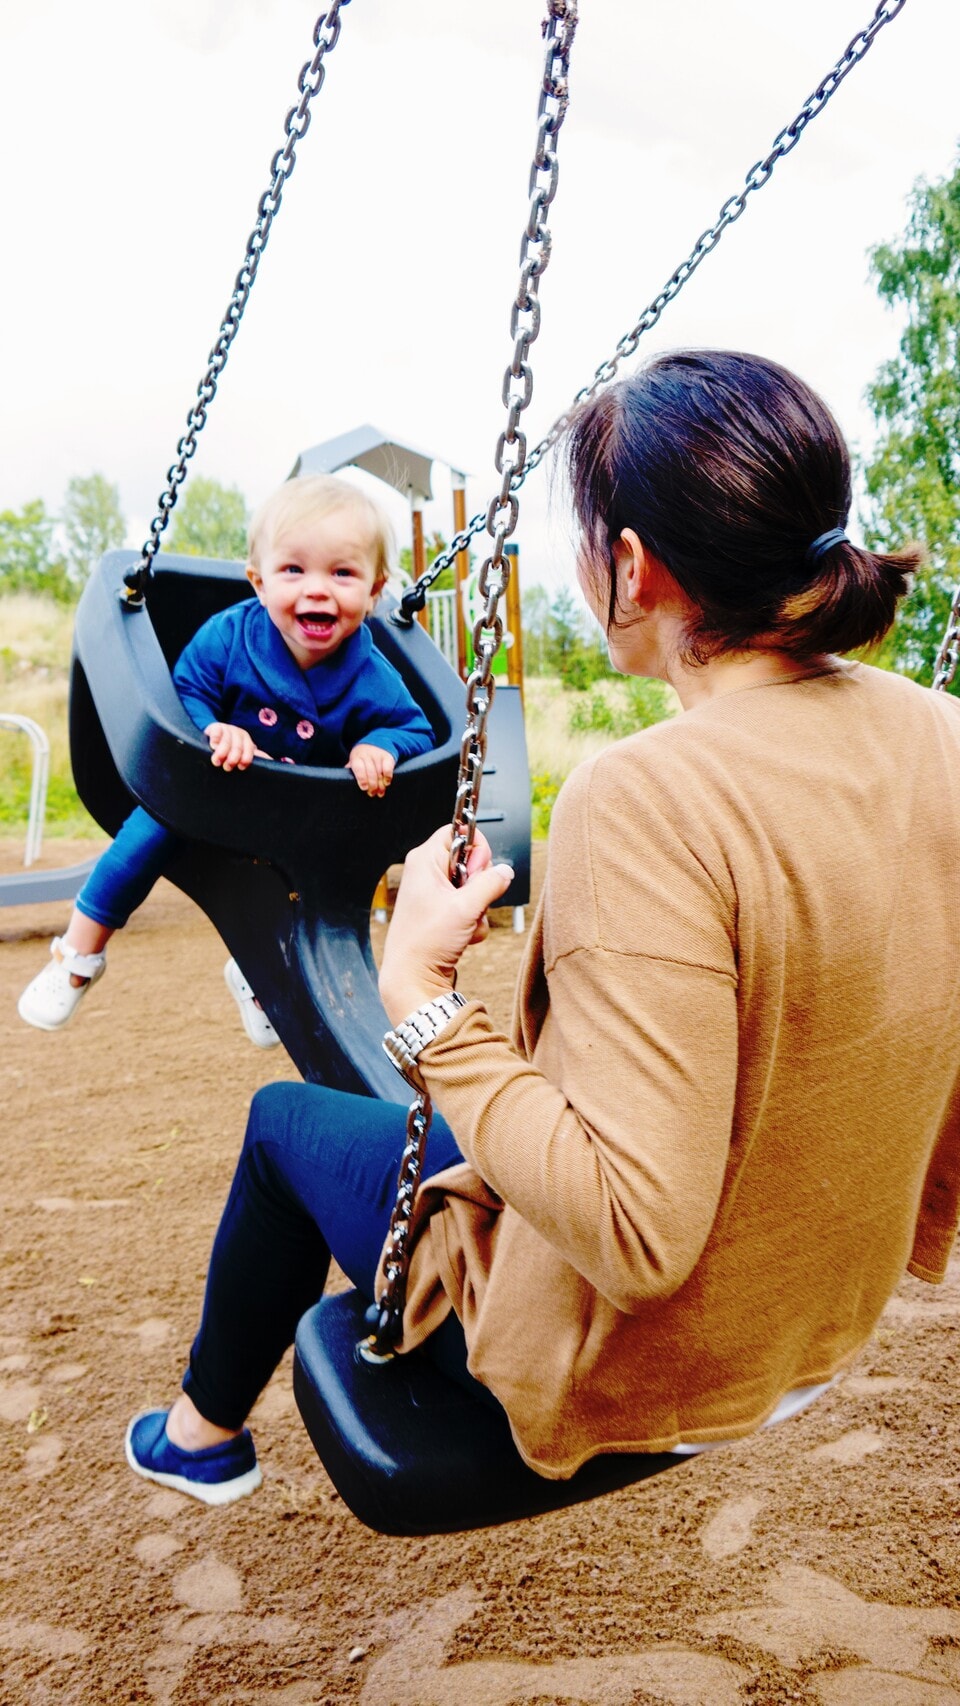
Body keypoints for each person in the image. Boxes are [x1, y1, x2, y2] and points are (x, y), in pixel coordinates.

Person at [124, 349, 960, 1509]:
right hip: (815, 1318)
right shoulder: (943, 733)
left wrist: (421, 990)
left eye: (583, 540)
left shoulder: (652, 794)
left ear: (632, 564)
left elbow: (635, 1228)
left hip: (638, 1365)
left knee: (285, 1125)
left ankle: (197, 1434)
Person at [18, 474, 434, 1046]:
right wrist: (213, 728)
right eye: (294, 571)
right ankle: (78, 953)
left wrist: (378, 745)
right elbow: (182, 691)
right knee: (142, 838)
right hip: (206, 792)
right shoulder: (229, 637)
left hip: (292, 816)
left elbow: (414, 728)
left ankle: (256, 978)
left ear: (375, 590)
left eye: (342, 573)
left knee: (302, 888)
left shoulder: (372, 672)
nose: (317, 590)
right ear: (258, 583)